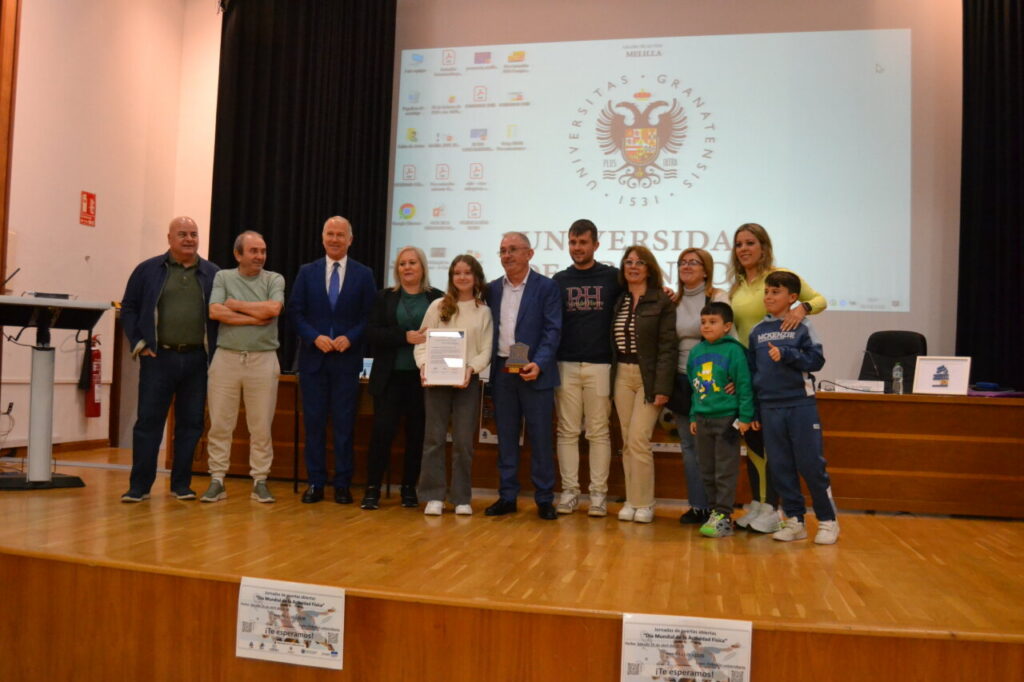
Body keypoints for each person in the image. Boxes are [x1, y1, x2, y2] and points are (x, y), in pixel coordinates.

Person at [728, 222, 826, 533]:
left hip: (780, 375)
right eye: (739, 243)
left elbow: (819, 300)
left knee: (774, 447)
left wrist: (803, 309)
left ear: (763, 247)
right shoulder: (738, 285)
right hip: (749, 371)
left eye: (750, 243)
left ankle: (773, 508)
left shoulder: (778, 276)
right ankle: (760, 503)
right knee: (754, 441)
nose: (744, 248)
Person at [120, 216, 219, 502]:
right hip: (158, 358)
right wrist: (139, 343)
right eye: (183, 234)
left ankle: (181, 485)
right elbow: (129, 308)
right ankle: (139, 487)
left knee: (191, 425)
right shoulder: (148, 270)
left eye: (194, 234)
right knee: (148, 422)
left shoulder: (213, 273)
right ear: (169, 238)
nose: (189, 239)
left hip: (197, 361)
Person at [289, 216, 376, 504]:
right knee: (314, 425)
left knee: (343, 425)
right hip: (313, 361)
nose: (335, 239)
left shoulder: (364, 274)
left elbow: (369, 316)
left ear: (350, 240)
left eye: (341, 234)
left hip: (347, 362)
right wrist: (314, 337)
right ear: (322, 237)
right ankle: (315, 482)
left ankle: (342, 483)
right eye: (330, 233)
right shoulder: (306, 272)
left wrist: (351, 337)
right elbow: (296, 312)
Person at [749, 270, 839, 544]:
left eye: (775, 292)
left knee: (811, 464)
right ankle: (795, 520)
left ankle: (827, 521)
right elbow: (754, 373)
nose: (768, 296)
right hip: (769, 407)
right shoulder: (757, 331)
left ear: (792, 298)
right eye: (766, 291)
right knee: (780, 466)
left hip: (800, 405)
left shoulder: (803, 326)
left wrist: (787, 354)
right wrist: (753, 410)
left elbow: (816, 361)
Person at [201, 231, 285, 504]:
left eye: (262, 251)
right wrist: (254, 317)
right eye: (253, 251)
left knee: (260, 425)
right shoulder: (223, 277)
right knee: (220, 423)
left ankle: (260, 480)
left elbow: (272, 310)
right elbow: (215, 312)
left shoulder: (274, 279)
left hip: (263, 359)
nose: (259, 256)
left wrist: (235, 305)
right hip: (226, 358)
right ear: (238, 254)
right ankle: (217, 480)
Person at [484, 232, 562, 520]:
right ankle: (507, 497)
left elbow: (553, 330)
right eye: (502, 250)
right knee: (505, 438)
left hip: (535, 373)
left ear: (530, 254)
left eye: (513, 249)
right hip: (504, 371)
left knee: (540, 438)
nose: (507, 255)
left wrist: (539, 363)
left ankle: (544, 499)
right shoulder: (492, 289)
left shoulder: (547, 288)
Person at [362, 246, 442, 510]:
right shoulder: (384, 298)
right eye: (402, 264)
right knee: (382, 434)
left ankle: (409, 488)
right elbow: (371, 333)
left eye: (412, 263)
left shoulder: (438, 298)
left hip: (422, 380)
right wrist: (403, 337)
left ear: (422, 267)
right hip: (389, 379)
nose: (407, 268)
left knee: (417, 436)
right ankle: (372, 488)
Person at [552, 219, 621, 517]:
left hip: (601, 365)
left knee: (598, 433)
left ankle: (598, 495)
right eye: (572, 242)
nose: (577, 248)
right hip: (565, 364)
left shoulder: (613, 277)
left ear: (595, 244)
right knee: (567, 431)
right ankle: (569, 492)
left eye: (582, 242)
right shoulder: (558, 280)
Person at [414, 254, 493, 515]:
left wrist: (472, 369)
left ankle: (461, 498)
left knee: (463, 442)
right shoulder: (438, 306)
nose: (462, 277)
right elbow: (422, 343)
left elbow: (485, 350)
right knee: (434, 438)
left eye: (467, 273)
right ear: (451, 277)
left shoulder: (483, 311)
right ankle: (433, 495)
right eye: (457, 273)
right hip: (436, 382)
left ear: (476, 277)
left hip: (466, 383)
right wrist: (424, 366)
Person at [611, 245, 677, 523]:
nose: (633, 267)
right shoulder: (620, 300)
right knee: (628, 440)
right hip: (621, 376)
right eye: (628, 262)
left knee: (638, 438)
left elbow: (667, 347)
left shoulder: (662, 301)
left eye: (639, 262)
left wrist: (662, 387)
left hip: (648, 376)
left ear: (649, 268)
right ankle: (631, 500)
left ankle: (645, 503)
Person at [671, 247, 730, 526]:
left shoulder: (717, 298)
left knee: (713, 448)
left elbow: (731, 338)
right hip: (682, 380)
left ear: (706, 269)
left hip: (711, 381)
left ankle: (719, 509)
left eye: (693, 262)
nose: (687, 266)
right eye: (683, 262)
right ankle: (698, 506)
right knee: (689, 446)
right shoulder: (673, 299)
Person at [687, 301, 755, 538]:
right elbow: (694, 388)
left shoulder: (734, 351)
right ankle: (715, 512)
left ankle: (724, 515)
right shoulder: (696, 352)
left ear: (727, 326)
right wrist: (694, 414)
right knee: (706, 468)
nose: (706, 326)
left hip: (726, 419)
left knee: (724, 470)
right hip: (703, 419)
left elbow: (744, 385)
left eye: (713, 322)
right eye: (703, 321)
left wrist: (745, 416)